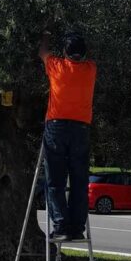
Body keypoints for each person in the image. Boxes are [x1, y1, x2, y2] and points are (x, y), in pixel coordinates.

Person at [38, 30, 97, 241]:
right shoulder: (91, 70)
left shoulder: (56, 66)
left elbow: (42, 51)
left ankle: (61, 226)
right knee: (79, 181)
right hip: (81, 129)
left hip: (57, 126)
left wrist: (47, 33)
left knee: (55, 181)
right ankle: (77, 228)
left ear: (65, 52)